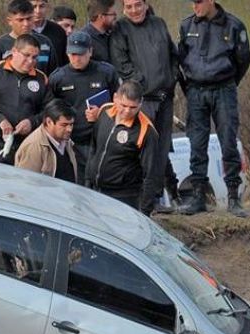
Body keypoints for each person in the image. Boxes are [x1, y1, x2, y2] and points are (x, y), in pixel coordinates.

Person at [178, 0, 250, 217]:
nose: (195, 7)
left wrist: (228, 82)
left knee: (228, 141)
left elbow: (243, 60)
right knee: (197, 143)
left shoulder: (234, 25)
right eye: (193, 2)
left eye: (199, 2)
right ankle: (198, 196)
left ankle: (233, 197)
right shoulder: (186, 26)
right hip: (196, 90)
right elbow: (180, 58)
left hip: (223, 89)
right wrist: (189, 86)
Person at [110, 0, 180, 210]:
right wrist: (143, 84)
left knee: (161, 149)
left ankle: (157, 197)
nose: (134, 10)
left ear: (146, 4)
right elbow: (121, 63)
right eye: (129, 6)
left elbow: (173, 54)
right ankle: (142, 200)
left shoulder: (159, 23)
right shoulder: (120, 29)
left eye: (138, 5)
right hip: (142, 100)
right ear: (124, 8)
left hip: (165, 97)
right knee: (143, 150)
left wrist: (172, 78)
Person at [0, 34, 53, 165]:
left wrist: (32, 122)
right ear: (14, 51)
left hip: (27, 142)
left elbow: (50, 110)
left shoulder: (41, 79)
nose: (30, 61)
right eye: (26, 55)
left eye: (34, 57)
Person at [49, 31, 117, 183]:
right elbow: (50, 111)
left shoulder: (106, 72)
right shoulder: (58, 78)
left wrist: (102, 112)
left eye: (81, 54)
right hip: (72, 142)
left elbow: (120, 103)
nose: (77, 59)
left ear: (90, 51)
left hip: (102, 140)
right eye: (73, 54)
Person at [86, 80, 161, 213]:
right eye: (124, 105)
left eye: (133, 107)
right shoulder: (105, 111)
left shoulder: (146, 131)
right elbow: (94, 148)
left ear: (140, 104)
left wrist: (145, 211)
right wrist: (88, 180)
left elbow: (150, 175)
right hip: (95, 190)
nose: (127, 111)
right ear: (115, 98)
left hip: (124, 196)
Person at [0, 0, 57, 76]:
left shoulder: (45, 42)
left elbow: (54, 75)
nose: (26, 24)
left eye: (29, 19)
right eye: (20, 20)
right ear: (9, 21)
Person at [15, 99, 78, 182]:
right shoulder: (34, 147)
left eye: (71, 124)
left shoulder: (66, 141)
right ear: (49, 122)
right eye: (64, 125)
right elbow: (26, 184)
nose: (69, 129)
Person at [32, 0, 69, 69]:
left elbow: (65, 61)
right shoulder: (23, 32)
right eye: (33, 6)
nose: (38, 11)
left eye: (41, 6)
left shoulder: (58, 31)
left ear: (47, 7)